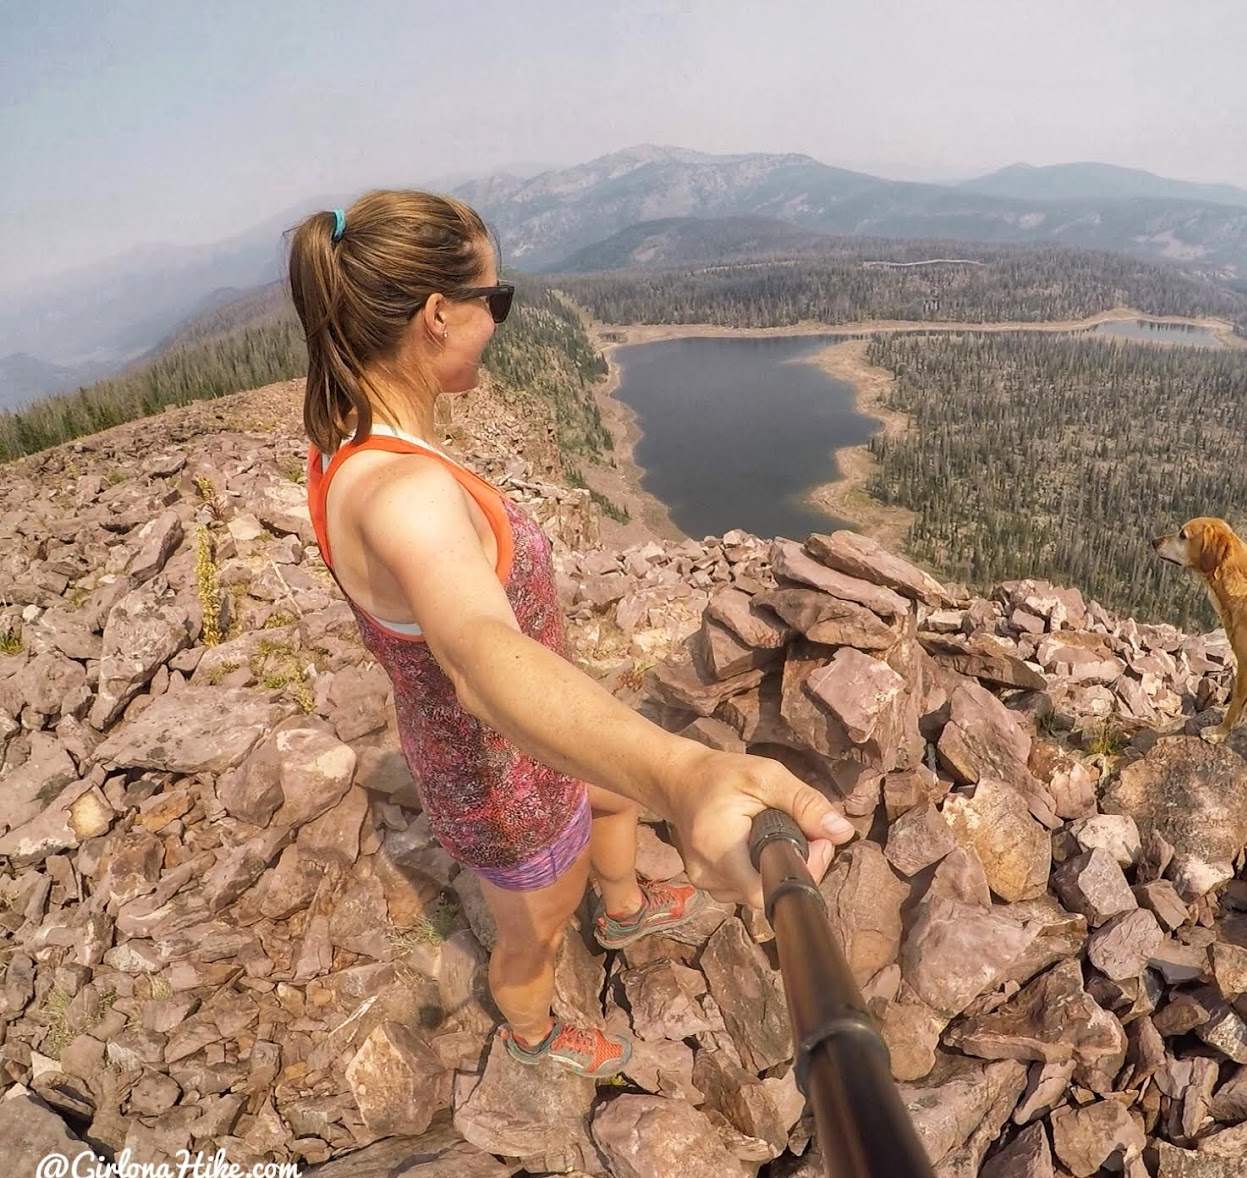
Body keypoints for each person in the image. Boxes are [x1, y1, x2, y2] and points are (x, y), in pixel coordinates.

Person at [286, 190, 852, 1078]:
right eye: (494, 301)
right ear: (436, 315)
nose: (499, 321)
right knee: (537, 930)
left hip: (539, 735)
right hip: (502, 775)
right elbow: (480, 658)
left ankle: (622, 906)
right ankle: (531, 1026)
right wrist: (687, 772)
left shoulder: (347, 437)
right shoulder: (405, 497)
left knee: (614, 798)